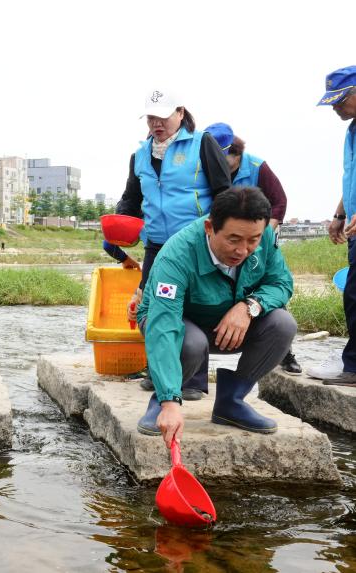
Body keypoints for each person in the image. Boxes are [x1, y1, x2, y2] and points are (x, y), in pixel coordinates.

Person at [136, 188, 296, 444]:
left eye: (252, 240)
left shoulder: (263, 237)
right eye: (233, 240)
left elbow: (281, 283)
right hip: (177, 322)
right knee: (191, 342)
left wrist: (249, 307)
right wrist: (170, 402)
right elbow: (163, 325)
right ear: (210, 227)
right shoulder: (177, 255)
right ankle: (162, 401)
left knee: (282, 324)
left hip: (227, 324)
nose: (243, 250)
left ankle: (230, 403)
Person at [116, 88, 232, 400]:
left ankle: (193, 381)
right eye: (151, 117)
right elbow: (132, 198)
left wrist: (218, 234)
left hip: (197, 241)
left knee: (194, 303)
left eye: (163, 116)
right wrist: (116, 228)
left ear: (180, 113)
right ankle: (160, 372)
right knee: (152, 305)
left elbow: (224, 191)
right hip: (156, 244)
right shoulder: (140, 155)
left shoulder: (202, 144)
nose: (157, 123)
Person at [204, 122, 301, 375]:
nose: (218, 162)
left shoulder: (257, 167)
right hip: (223, 239)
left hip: (258, 235)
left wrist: (258, 236)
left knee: (269, 288)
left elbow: (279, 202)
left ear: (236, 154)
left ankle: (285, 353)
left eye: (223, 157)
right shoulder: (204, 169)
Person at [306, 66, 356, 385]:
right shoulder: (351, 131)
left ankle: (353, 367)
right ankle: (352, 364)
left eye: (340, 101)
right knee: (354, 295)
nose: (336, 108)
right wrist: (339, 215)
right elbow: (350, 179)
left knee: (355, 294)